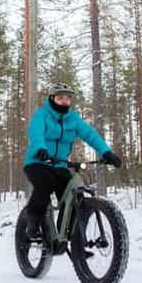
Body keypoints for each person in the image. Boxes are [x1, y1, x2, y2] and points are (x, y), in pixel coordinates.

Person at [22, 82, 122, 237]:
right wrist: (40, 149)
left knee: (76, 195)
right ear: (52, 98)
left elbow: (90, 135)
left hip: (60, 165)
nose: (65, 102)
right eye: (60, 98)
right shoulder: (42, 115)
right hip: (37, 162)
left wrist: (106, 152)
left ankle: (75, 238)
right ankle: (32, 221)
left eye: (68, 98)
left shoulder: (73, 119)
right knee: (45, 183)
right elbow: (36, 133)